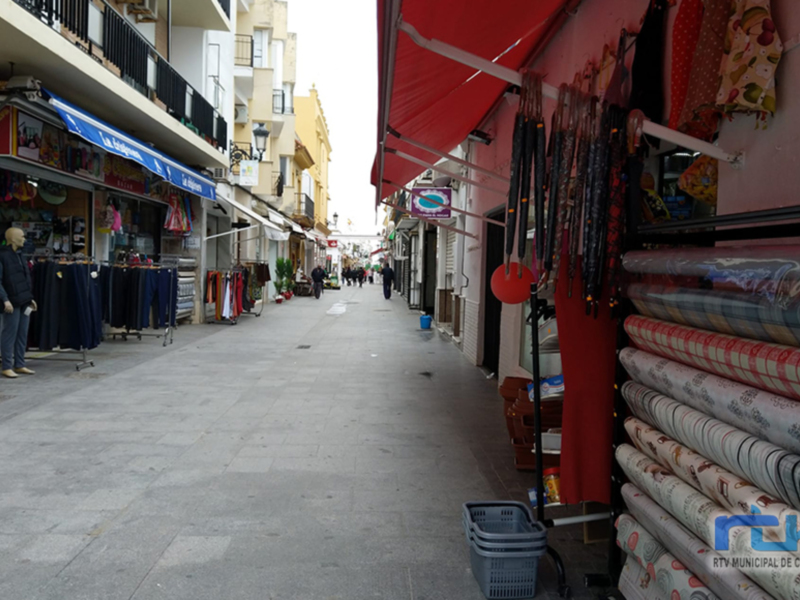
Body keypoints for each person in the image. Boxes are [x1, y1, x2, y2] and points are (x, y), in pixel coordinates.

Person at [0, 227, 37, 378]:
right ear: (13, 239)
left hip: (23, 300)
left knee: (22, 333)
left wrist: (30, 298)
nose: (24, 239)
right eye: (21, 236)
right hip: (11, 301)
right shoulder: (3, 256)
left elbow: (24, 279)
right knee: (10, 333)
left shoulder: (21, 255)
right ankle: (7, 366)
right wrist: (5, 299)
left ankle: (20, 364)